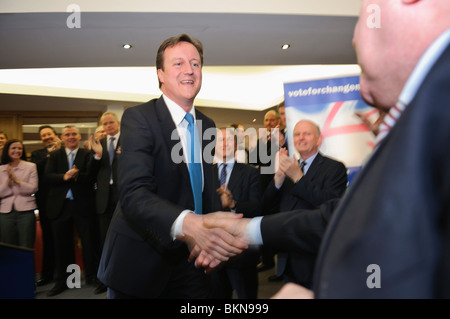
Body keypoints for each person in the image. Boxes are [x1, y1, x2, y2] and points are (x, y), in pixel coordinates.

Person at [199, 0, 450, 299]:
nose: (355, 38)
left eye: (361, 18)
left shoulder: (437, 114)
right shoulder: (428, 117)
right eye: (297, 134)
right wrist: (252, 226)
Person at [96, 34, 247, 299]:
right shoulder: (139, 118)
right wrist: (191, 225)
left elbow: (199, 187)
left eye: (195, 64)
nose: (189, 70)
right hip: (142, 263)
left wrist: (216, 211)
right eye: (178, 63)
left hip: (194, 262)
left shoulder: (207, 125)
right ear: (161, 75)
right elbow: (134, 195)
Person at [263, 119, 348, 288]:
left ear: (318, 139)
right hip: (288, 256)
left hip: (315, 257)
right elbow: (266, 206)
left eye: (307, 134)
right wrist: (278, 180)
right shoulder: (287, 167)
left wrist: (298, 178)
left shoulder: (334, 168)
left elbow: (329, 204)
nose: (301, 138)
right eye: (297, 134)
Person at [44, 125, 97, 297]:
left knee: (88, 243)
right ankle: (64, 281)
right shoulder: (54, 155)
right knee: (62, 245)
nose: (71, 136)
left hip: (83, 205)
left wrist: (76, 175)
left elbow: (90, 177)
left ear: (79, 136)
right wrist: (64, 176)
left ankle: (92, 277)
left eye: (74, 133)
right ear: (62, 137)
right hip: (61, 206)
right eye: (67, 134)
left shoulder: (87, 154)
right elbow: (47, 177)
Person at [211, 127, 261, 299]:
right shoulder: (205, 174)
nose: (224, 143)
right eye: (220, 140)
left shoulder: (251, 173)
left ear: (237, 144)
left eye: (229, 140)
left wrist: (233, 204)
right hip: (213, 250)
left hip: (242, 251)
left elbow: (257, 207)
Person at [89, 112, 121, 294]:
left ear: (117, 123)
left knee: (124, 239)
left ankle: (124, 276)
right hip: (103, 200)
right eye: (105, 123)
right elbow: (90, 174)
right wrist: (97, 156)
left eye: (111, 122)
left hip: (122, 197)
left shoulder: (128, 141)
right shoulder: (98, 144)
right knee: (104, 241)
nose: (108, 126)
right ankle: (104, 279)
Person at [31, 125, 62, 286]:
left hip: (64, 202)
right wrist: (51, 153)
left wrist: (58, 150)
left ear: (55, 135)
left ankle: (67, 275)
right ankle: (47, 275)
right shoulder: (37, 154)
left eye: (49, 134)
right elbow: (36, 169)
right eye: (43, 135)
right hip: (44, 203)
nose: (47, 137)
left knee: (64, 240)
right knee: (48, 240)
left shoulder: (65, 151)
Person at [0, 139, 38, 249]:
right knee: (7, 246)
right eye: (13, 148)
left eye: (20, 148)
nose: (17, 150)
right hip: (5, 212)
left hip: (26, 212)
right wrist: (8, 182)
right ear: (7, 150)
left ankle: (26, 267)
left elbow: (33, 188)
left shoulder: (31, 166)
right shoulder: (1, 169)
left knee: (26, 245)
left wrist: (17, 181)